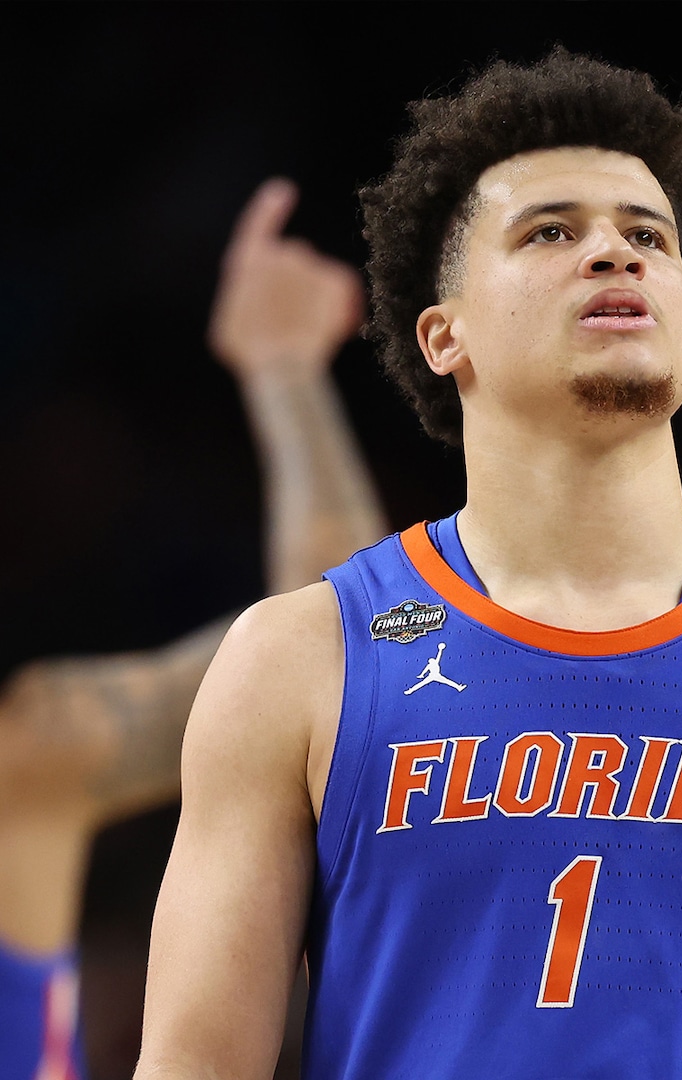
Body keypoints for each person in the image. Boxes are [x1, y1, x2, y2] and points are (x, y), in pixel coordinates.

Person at [134, 50, 682, 1079]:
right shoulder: (297, 660)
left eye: (648, 236)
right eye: (552, 231)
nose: (616, 253)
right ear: (442, 335)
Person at [0, 176, 388, 1079]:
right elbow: (335, 656)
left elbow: (332, 664)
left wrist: (285, 370)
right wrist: (283, 369)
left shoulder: (33, 753)